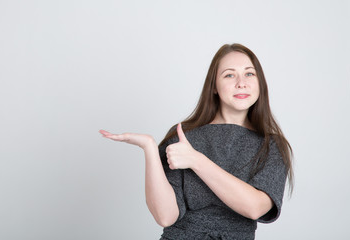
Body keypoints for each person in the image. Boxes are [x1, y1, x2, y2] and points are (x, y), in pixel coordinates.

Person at [99, 43, 294, 240]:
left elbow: (255, 208)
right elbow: (165, 216)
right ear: (214, 87)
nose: (241, 83)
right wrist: (149, 148)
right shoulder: (182, 137)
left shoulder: (272, 146)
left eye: (249, 74)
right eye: (229, 75)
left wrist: (196, 160)